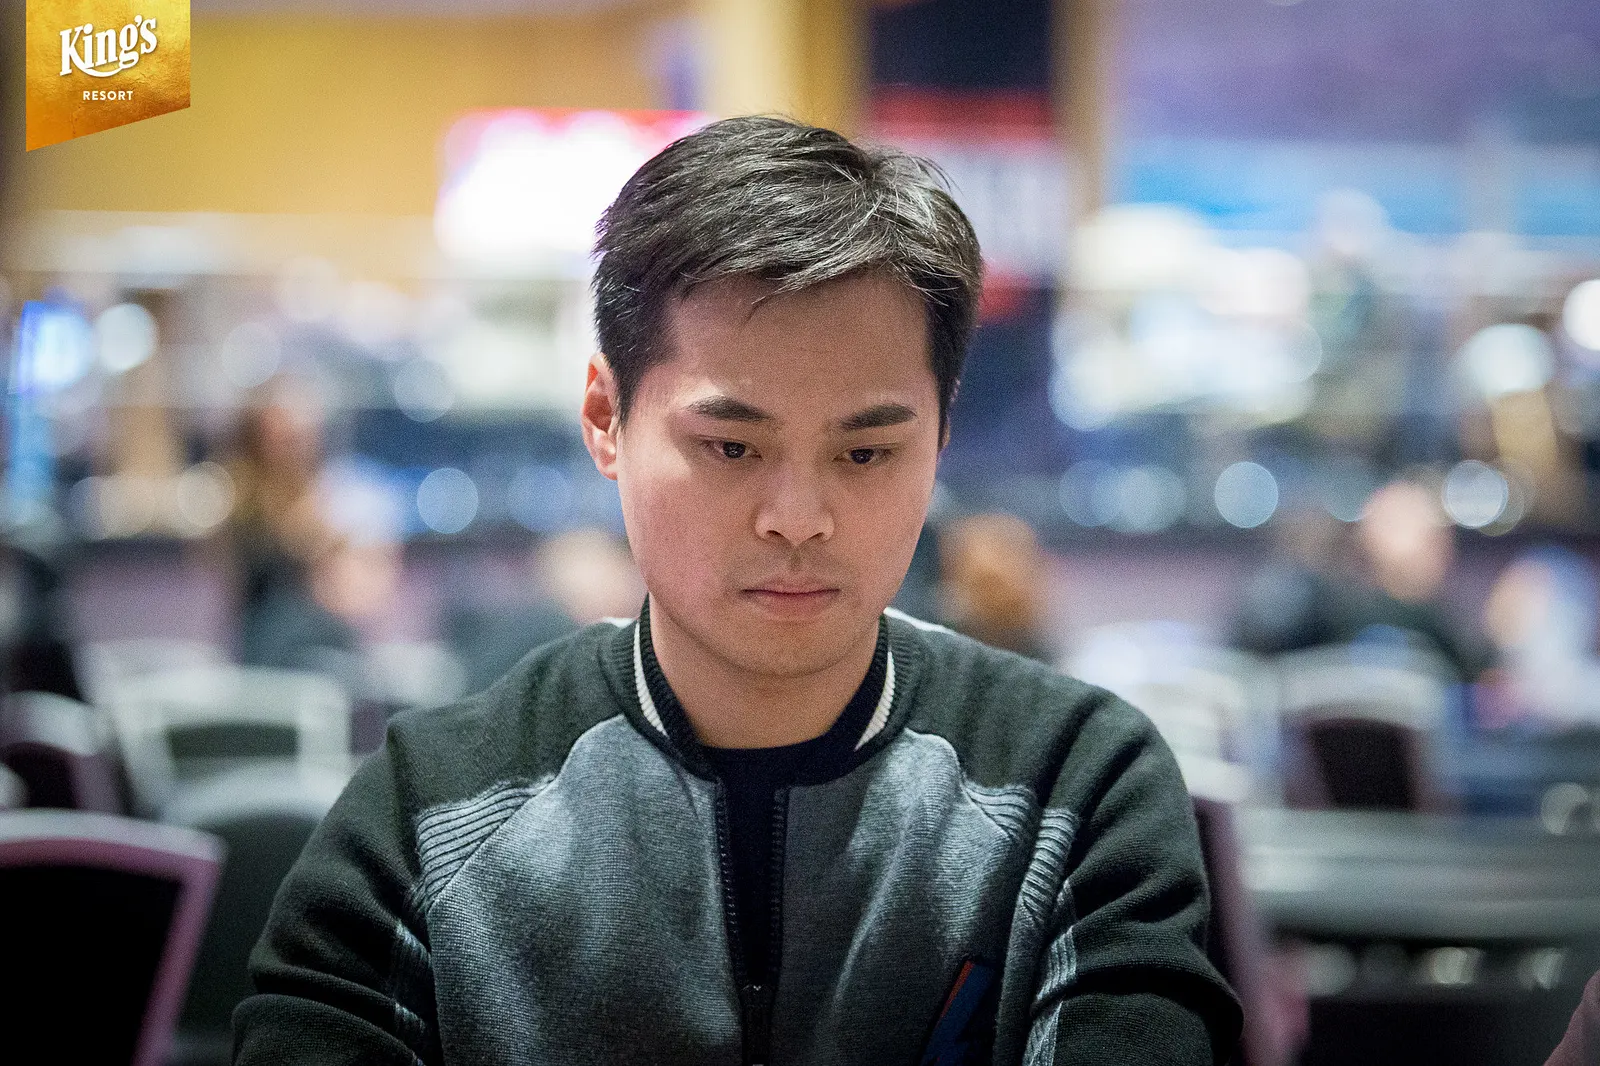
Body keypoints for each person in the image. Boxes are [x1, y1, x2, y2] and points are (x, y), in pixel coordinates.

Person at [235, 117, 1241, 1065]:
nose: (797, 518)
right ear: (605, 418)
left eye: (865, 451)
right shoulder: (428, 811)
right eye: (730, 446)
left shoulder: (1075, 788)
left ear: (940, 437)